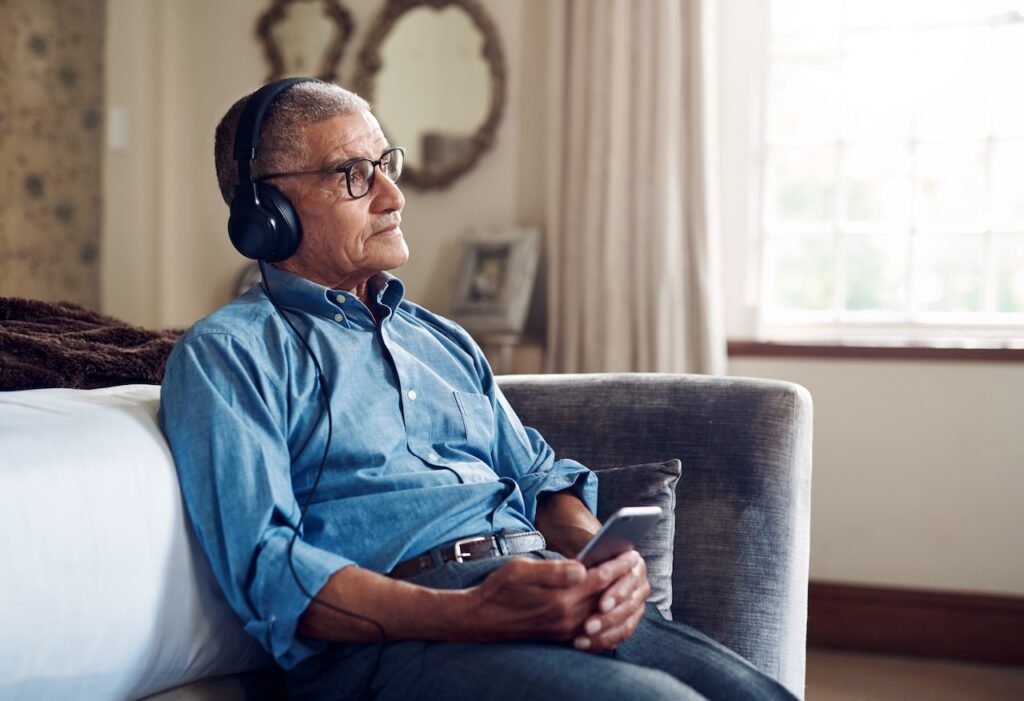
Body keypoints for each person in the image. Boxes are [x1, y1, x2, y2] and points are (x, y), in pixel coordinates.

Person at [159, 79, 797, 701]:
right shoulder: (229, 353)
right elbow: (267, 569)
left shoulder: (443, 340)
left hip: (541, 588)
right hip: (404, 641)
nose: (392, 196)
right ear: (267, 213)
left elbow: (542, 477)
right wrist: (470, 613)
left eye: (387, 164)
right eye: (353, 173)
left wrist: (600, 561)